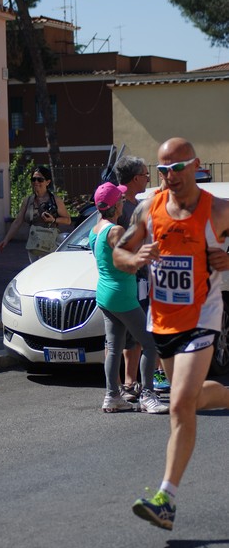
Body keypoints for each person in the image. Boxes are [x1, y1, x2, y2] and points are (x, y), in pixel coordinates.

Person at [113, 137, 229, 530]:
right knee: (191, 401)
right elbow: (120, 254)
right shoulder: (148, 209)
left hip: (202, 318)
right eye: (163, 169)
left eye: (177, 168)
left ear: (195, 165)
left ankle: (166, 499)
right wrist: (135, 258)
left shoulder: (218, 211)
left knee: (179, 406)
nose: (169, 176)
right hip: (162, 323)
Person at [88, 181, 169, 415]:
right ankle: (148, 396)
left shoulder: (97, 228)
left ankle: (112, 396)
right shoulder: (116, 231)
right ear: (115, 206)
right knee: (150, 344)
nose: (124, 203)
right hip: (122, 295)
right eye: (121, 200)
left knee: (113, 348)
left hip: (105, 294)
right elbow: (131, 262)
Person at [114, 155, 152, 400]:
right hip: (128, 278)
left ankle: (130, 383)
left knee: (133, 336)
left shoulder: (136, 203)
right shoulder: (120, 206)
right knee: (129, 335)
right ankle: (127, 385)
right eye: (146, 174)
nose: (149, 178)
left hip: (140, 277)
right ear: (136, 178)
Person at [0, 166, 71, 263]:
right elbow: (18, 221)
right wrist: (6, 240)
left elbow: (68, 220)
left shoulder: (55, 200)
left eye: (40, 179)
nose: (36, 182)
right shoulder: (28, 200)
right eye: (33, 179)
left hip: (49, 244)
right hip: (34, 244)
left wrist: (53, 220)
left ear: (47, 182)